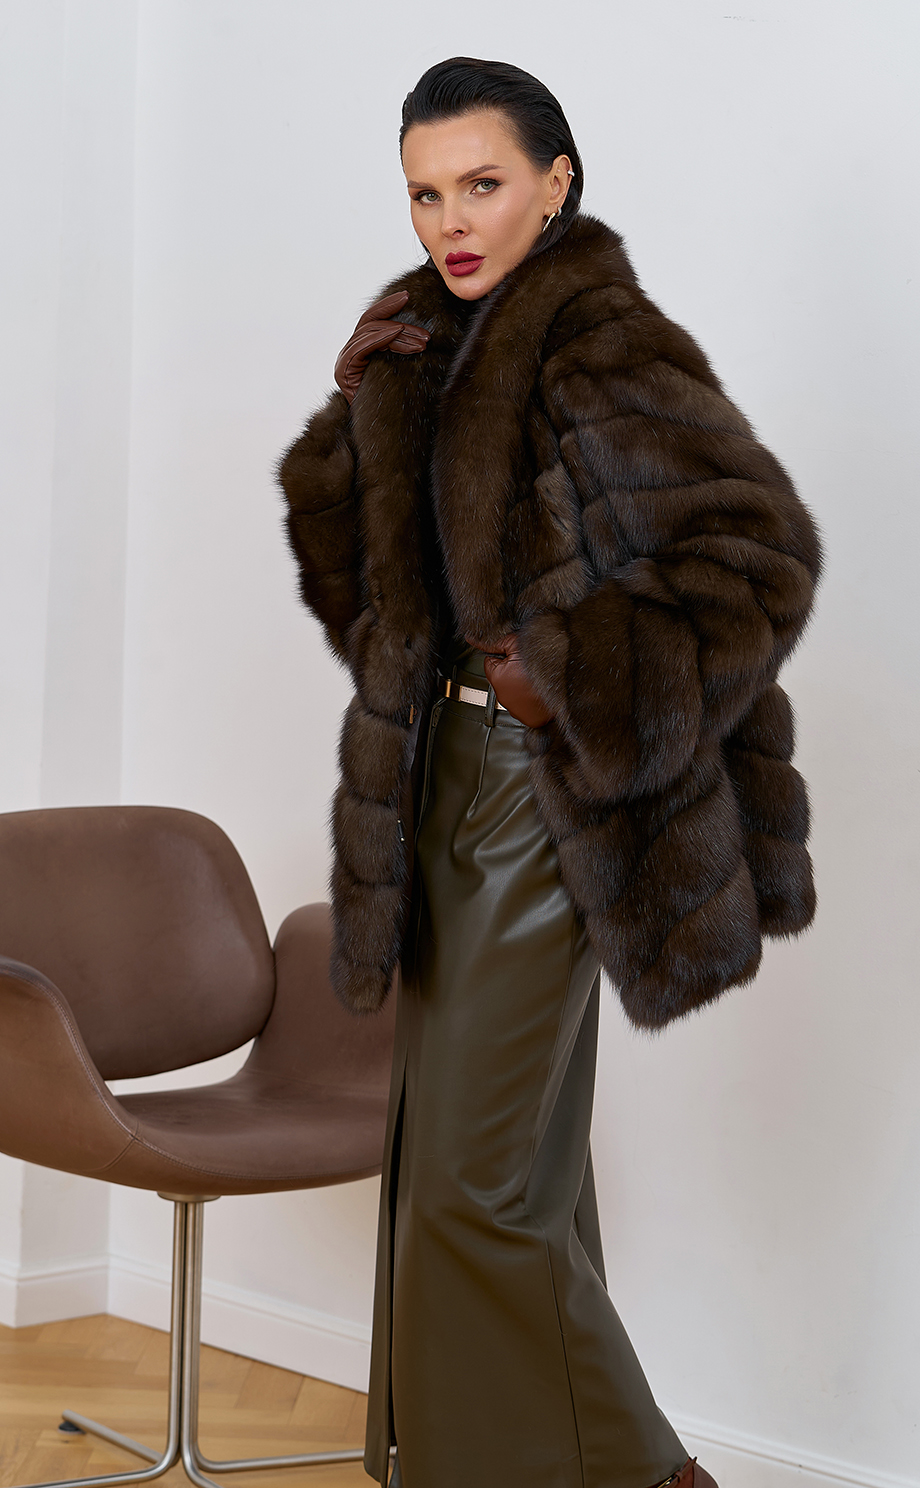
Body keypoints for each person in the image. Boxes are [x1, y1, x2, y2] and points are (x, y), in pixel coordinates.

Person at [279, 56, 819, 1488]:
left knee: (472, 1186)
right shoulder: (437, 340)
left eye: (482, 183)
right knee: (489, 1170)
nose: (450, 221)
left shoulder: (601, 341)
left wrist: (568, 676)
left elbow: (759, 558)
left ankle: (644, 1474)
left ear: (555, 182)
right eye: (424, 193)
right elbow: (369, 599)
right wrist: (355, 415)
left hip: (541, 784)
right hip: (442, 773)